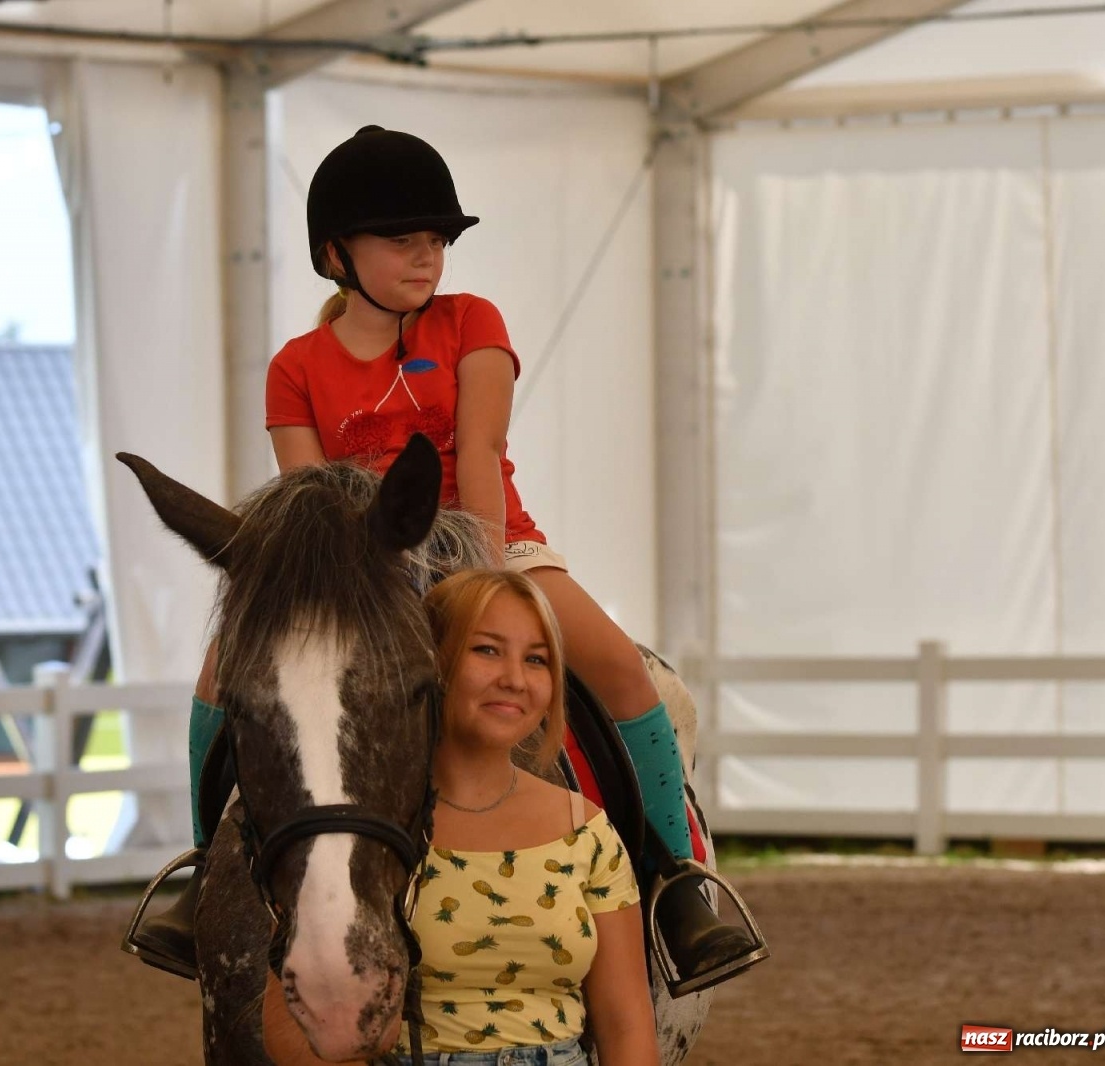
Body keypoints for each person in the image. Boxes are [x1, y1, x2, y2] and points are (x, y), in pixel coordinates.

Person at [127, 124, 759, 990]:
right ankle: (206, 873)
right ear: (336, 254)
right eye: (402, 240)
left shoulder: (472, 324)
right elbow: (314, 508)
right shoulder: (294, 368)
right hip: (362, 571)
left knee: (618, 667)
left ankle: (680, 885)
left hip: (489, 541)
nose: (427, 257)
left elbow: (482, 450)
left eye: (436, 240)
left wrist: (491, 581)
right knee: (218, 675)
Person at [262, 570, 658, 1066]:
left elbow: (626, 1026)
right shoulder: (359, 833)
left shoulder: (587, 831)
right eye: (487, 650)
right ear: (433, 662)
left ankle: (681, 876)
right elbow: (292, 1032)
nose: (514, 679)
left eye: (536, 659)